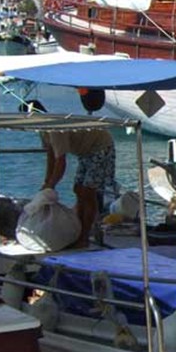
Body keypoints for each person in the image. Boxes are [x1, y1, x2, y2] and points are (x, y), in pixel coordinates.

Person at [22, 100, 117, 247]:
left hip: (101, 147)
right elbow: (51, 155)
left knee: (87, 192)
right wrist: (47, 182)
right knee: (78, 189)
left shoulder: (54, 128)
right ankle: (78, 233)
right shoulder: (42, 129)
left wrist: (52, 184)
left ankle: (84, 236)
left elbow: (61, 161)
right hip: (85, 152)